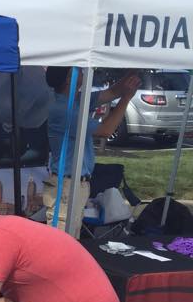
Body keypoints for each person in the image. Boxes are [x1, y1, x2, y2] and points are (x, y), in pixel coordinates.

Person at [44, 67, 140, 236]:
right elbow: (105, 130)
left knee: (72, 238)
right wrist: (126, 99)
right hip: (65, 186)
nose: (83, 72)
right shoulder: (62, 110)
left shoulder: (76, 101)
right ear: (69, 78)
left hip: (76, 184)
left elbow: (112, 91)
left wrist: (133, 69)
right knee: (61, 242)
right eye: (79, 70)